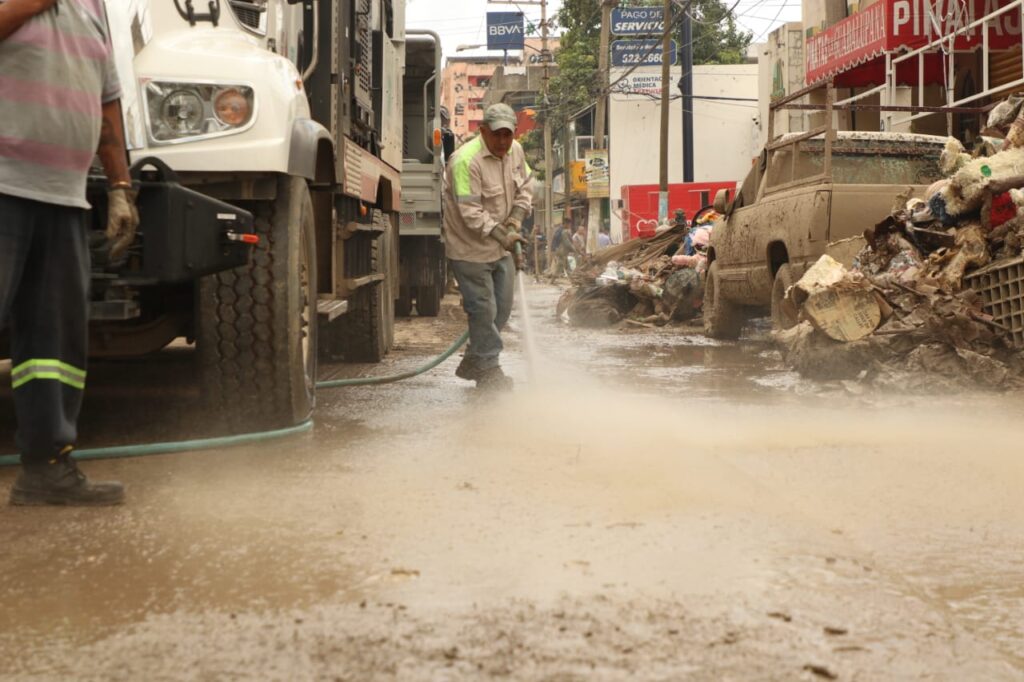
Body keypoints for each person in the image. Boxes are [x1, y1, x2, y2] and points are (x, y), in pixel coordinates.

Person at [1, 0, 139, 505]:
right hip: (3, 184)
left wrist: (121, 186)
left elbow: (106, 100)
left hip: (63, 196)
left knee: (53, 349)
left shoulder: (93, 6)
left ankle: (48, 467)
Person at [442, 103, 532, 390]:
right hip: (469, 249)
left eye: (508, 135)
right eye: (498, 135)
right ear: (482, 131)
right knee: (483, 309)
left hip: (500, 247)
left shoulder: (515, 151)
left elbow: (527, 186)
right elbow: (470, 213)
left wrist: (516, 218)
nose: (504, 142)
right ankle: (489, 370)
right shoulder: (464, 161)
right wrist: (503, 235)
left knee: (501, 310)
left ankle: (474, 359)